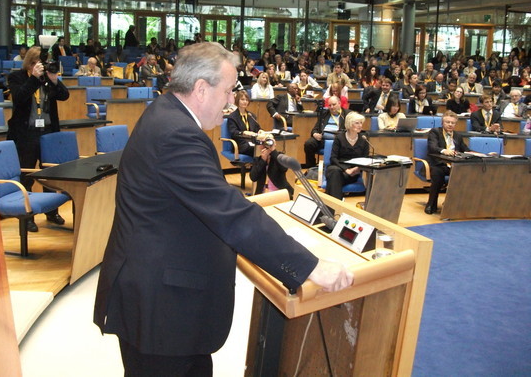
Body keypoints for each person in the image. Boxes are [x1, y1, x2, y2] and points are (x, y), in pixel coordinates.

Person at [93, 42, 353, 376]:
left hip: (161, 296)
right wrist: (310, 267)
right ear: (201, 89)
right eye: (229, 91)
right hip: (161, 307)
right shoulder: (176, 133)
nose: (232, 101)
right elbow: (229, 212)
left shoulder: (167, 114)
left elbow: (207, 197)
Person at [6, 46, 70, 232]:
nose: (39, 67)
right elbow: (18, 98)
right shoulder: (17, 77)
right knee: (27, 175)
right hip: (27, 133)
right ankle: (28, 216)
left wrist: (54, 80)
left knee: (49, 173)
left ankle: (51, 212)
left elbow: (65, 96)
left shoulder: (48, 78)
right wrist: (34, 78)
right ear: (30, 63)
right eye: (35, 64)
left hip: (48, 132)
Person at [425, 111, 469, 214]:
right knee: (437, 174)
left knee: (466, 173)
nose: (450, 125)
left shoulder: (457, 136)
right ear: (442, 123)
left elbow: (465, 149)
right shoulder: (435, 132)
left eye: (452, 123)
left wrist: (479, 154)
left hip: (453, 165)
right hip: (438, 164)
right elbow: (432, 147)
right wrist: (444, 151)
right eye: (447, 122)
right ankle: (431, 204)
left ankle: (452, 204)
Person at [324, 112, 369, 201]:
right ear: (349, 124)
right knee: (334, 171)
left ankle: (331, 208)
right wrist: (346, 169)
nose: (360, 125)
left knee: (334, 178)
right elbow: (333, 158)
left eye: (361, 123)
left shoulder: (363, 140)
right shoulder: (339, 138)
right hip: (337, 167)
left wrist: (355, 169)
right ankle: (336, 204)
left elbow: (365, 160)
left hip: (353, 173)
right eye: (357, 123)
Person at [303, 96, 349, 168]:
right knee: (309, 144)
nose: (331, 107)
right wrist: (315, 134)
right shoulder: (325, 114)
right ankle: (311, 167)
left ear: (339, 103)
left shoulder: (347, 114)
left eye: (334, 104)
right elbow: (315, 129)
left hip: (338, 141)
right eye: (330, 105)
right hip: (322, 140)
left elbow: (349, 131)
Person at [226, 90, 261, 156]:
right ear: (237, 100)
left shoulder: (251, 116)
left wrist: (260, 131)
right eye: (242, 99)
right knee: (258, 150)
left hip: (252, 142)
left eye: (247, 100)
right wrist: (243, 132)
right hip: (240, 145)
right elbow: (233, 132)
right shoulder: (232, 117)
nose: (245, 102)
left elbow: (257, 129)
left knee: (267, 148)